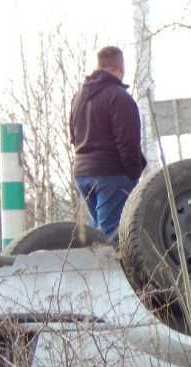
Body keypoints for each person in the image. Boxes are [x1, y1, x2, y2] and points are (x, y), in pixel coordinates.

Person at [69, 46, 147, 240]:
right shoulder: (119, 97)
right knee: (112, 238)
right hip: (111, 175)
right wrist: (133, 175)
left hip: (82, 174)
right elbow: (128, 142)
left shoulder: (78, 97)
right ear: (121, 66)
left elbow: (73, 136)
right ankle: (112, 271)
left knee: (97, 236)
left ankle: (96, 269)